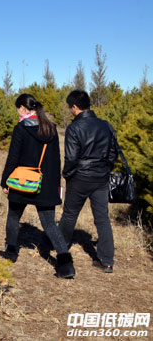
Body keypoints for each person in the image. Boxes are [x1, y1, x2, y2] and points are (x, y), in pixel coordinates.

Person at [0, 94, 74, 278]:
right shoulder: (51, 129)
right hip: (46, 183)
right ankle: (66, 265)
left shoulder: (20, 129)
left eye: (18, 108)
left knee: (14, 216)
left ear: (23, 108)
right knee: (49, 224)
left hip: (22, 181)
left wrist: (5, 180)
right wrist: (55, 186)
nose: (17, 111)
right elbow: (56, 161)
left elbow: (13, 158)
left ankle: (11, 253)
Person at [58, 90, 118, 273]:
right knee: (102, 218)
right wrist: (104, 168)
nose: (70, 111)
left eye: (70, 108)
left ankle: (61, 248)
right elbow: (113, 152)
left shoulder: (74, 128)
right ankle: (107, 261)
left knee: (69, 214)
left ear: (75, 107)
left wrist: (67, 175)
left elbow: (71, 158)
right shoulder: (106, 125)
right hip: (101, 177)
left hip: (80, 177)